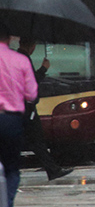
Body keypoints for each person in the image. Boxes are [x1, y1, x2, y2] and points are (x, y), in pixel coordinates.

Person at [15, 39, 72, 180]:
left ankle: (52, 169)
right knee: (37, 141)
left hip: (22, 107)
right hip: (27, 109)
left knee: (33, 142)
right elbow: (31, 82)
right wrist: (44, 68)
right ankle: (53, 170)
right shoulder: (24, 58)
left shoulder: (18, 57)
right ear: (31, 46)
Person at [0, 24, 37, 205]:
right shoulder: (20, 60)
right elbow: (32, 94)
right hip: (11, 121)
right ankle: (7, 202)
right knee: (12, 169)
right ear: (8, 39)